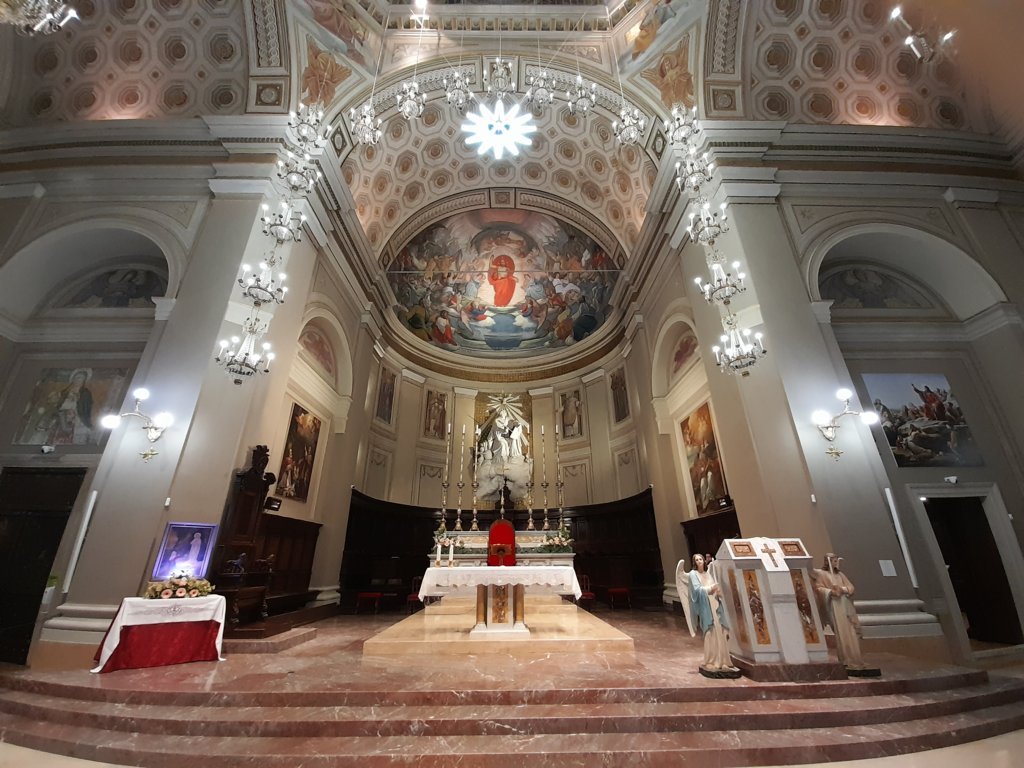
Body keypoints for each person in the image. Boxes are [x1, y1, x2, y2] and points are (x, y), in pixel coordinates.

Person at [810, 553, 868, 670]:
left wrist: (842, 589)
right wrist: (830, 592)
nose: (836, 563)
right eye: (834, 561)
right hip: (834, 605)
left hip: (844, 604)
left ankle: (855, 658)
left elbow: (850, 587)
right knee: (841, 631)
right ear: (828, 562)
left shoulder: (840, 575)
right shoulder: (822, 574)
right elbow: (819, 588)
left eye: (836, 561)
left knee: (851, 630)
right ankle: (846, 658)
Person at [685, 554, 737, 673]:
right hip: (706, 606)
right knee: (710, 632)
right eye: (696, 560)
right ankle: (711, 660)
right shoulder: (693, 574)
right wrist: (710, 589)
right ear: (694, 562)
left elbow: (715, 586)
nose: (699, 561)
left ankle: (723, 660)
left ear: (704, 561)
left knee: (720, 631)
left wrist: (717, 591)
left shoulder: (708, 573)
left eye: (701, 559)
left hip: (715, 604)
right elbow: (696, 591)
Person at [49, 368, 94, 445]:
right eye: (77, 377)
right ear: (73, 379)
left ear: (84, 381)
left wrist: (77, 401)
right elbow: (58, 405)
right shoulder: (65, 392)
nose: (79, 380)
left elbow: (85, 407)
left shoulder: (85, 393)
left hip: (77, 419)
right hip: (62, 419)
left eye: (81, 378)